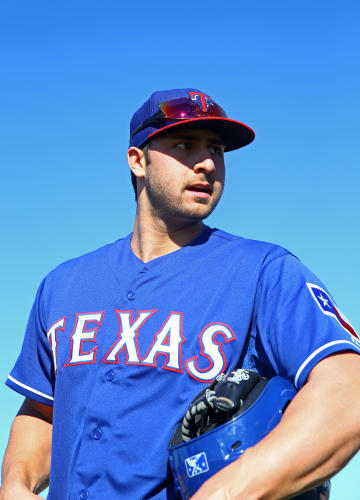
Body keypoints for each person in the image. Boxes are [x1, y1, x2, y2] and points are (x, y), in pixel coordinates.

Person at [1, 88, 360, 500]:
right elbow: (43, 412)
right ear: (138, 160)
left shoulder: (263, 271)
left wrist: (227, 493)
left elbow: (348, 393)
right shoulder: (63, 284)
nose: (207, 163)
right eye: (185, 145)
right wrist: (16, 482)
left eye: (216, 149)